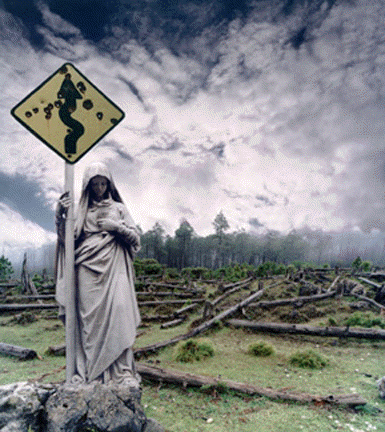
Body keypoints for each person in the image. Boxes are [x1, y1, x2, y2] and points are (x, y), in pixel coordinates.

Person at [55, 162, 141, 386]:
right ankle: (91, 372)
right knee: (88, 322)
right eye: (95, 184)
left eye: (103, 183)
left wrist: (117, 227)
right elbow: (68, 241)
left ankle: (122, 372)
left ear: (109, 184)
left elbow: (136, 239)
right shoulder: (80, 211)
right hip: (86, 267)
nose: (100, 188)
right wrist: (60, 215)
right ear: (88, 186)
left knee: (120, 313)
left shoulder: (119, 209)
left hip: (114, 265)